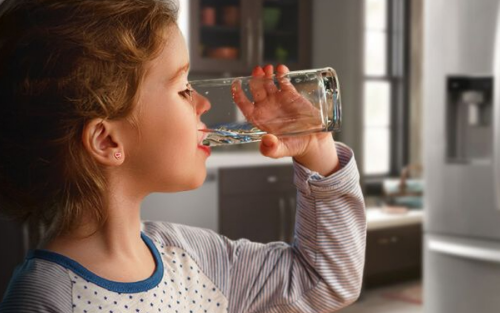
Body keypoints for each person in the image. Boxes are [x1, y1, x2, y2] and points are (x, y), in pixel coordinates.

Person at [0, 0, 366, 312]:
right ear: (107, 140)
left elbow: (323, 280)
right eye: (183, 89)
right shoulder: (43, 300)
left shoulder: (192, 257)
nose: (204, 103)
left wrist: (316, 149)